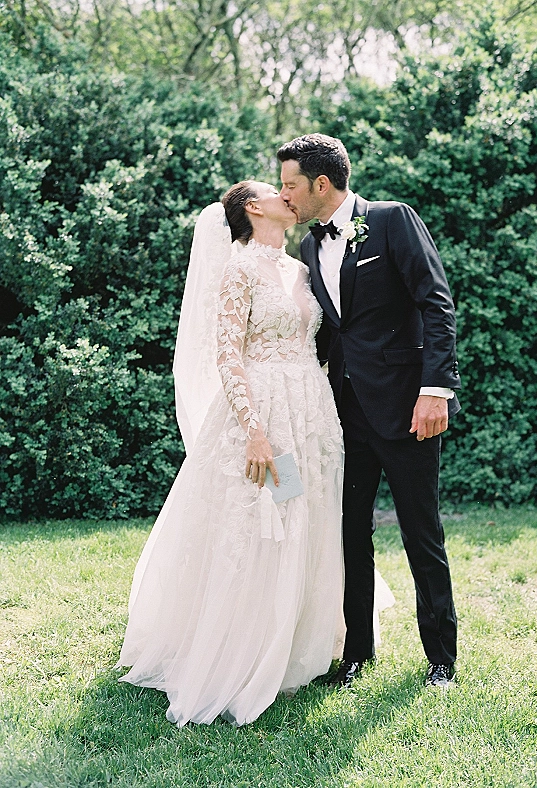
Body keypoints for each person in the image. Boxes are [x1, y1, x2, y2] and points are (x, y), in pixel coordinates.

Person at [116, 181, 346, 726]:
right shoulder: (239, 269)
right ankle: (247, 649)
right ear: (252, 207)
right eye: (276, 191)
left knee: (308, 516)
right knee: (270, 517)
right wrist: (256, 432)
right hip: (265, 416)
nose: (288, 196)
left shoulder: (302, 269)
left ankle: (298, 643)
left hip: (308, 410)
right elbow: (228, 355)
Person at [277, 134, 461, 689]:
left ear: (321, 183)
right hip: (343, 416)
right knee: (349, 534)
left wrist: (436, 389)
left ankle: (441, 660)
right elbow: (330, 333)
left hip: (408, 410)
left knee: (421, 534)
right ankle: (357, 652)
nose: (285, 195)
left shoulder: (391, 220)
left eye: (291, 185)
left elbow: (436, 303)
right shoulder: (308, 247)